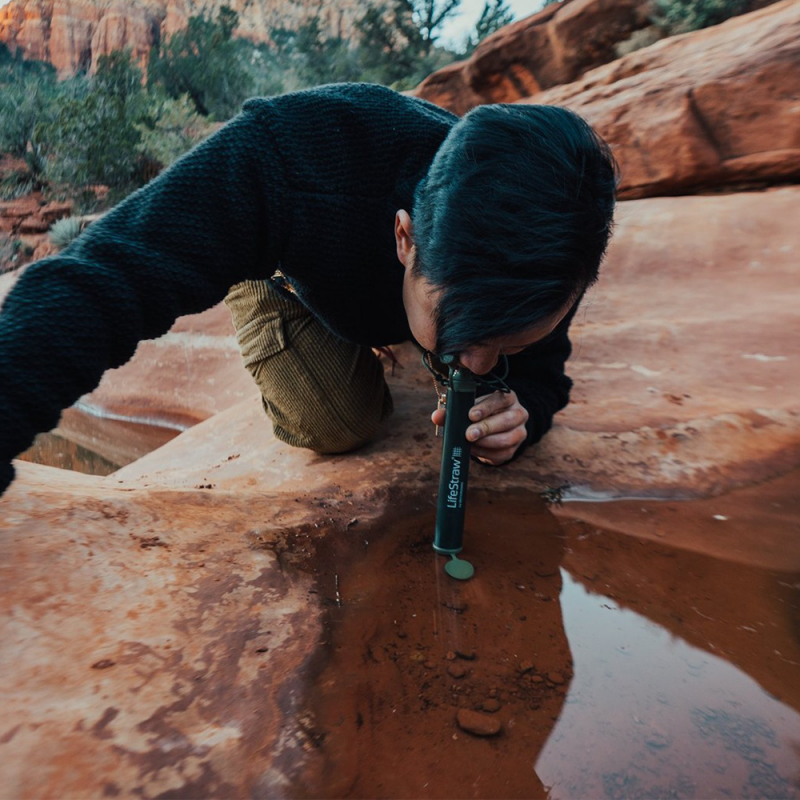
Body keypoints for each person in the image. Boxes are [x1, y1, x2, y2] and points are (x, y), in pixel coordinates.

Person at [0, 82, 618, 498]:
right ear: (405, 239)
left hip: (411, 268)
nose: (479, 367)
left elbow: (544, 373)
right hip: (287, 261)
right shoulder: (285, 158)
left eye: (503, 340)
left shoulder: (546, 240)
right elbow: (104, 277)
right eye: (467, 335)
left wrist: (525, 411)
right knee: (337, 423)